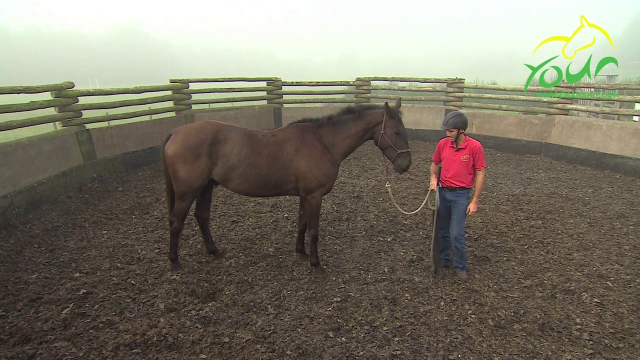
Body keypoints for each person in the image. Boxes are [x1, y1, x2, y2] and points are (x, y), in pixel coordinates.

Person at [429, 110, 487, 282]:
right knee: (442, 230)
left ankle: (461, 266)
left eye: (451, 131)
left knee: (457, 234)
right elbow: (435, 163)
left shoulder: (474, 147)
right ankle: (445, 259)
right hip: (443, 191)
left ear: (461, 130)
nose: (448, 134)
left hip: (461, 195)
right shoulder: (442, 144)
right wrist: (433, 178)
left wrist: (475, 200)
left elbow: (480, 172)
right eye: (447, 131)